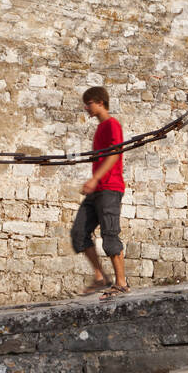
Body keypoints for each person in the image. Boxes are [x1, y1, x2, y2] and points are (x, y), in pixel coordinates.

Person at [70, 86, 128, 298]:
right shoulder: (99, 128)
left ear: (100, 102)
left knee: (109, 234)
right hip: (97, 190)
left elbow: (114, 154)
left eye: (89, 103)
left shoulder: (112, 125)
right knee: (79, 232)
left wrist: (94, 178)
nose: (86, 108)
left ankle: (121, 283)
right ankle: (101, 277)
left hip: (110, 188)